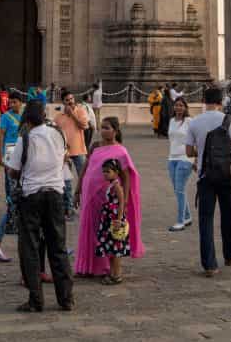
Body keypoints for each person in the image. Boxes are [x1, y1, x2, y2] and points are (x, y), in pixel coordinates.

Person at [9, 99, 74, 313]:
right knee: (58, 247)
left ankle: (36, 299)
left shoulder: (24, 139)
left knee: (30, 247)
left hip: (32, 196)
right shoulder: (58, 133)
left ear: (27, 117)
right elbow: (65, 156)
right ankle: (66, 298)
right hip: (55, 193)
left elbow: (14, 170)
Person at [75, 116, 144, 277]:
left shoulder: (121, 151)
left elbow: (126, 177)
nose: (103, 131)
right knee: (89, 228)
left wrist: (124, 200)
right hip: (89, 194)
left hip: (108, 198)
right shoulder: (95, 146)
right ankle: (87, 267)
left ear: (115, 130)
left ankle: (105, 267)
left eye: (107, 127)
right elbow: (86, 167)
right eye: (102, 127)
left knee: (104, 231)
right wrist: (78, 190)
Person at [186, 86, 231, 276]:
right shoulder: (228, 120)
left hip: (205, 176)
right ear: (221, 101)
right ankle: (230, 254)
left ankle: (209, 265)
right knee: (228, 216)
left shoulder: (194, 122)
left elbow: (188, 152)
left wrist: (201, 153)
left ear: (204, 101)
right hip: (226, 175)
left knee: (206, 220)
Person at [0, 91, 25, 262]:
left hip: (21, 157)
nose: (12, 105)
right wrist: (0, 154)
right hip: (11, 157)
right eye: (10, 102)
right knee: (13, 202)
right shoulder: (5, 117)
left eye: (15, 102)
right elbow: (1, 135)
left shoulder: (25, 116)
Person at [94, 158, 132, 285]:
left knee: (116, 249)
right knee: (111, 248)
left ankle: (117, 274)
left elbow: (121, 203)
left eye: (108, 172)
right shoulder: (111, 185)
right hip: (108, 218)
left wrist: (119, 220)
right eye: (104, 172)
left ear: (116, 172)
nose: (105, 174)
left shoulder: (117, 186)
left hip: (114, 219)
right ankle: (112, 272)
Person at [55, 89, 89, 218]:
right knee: (66, 182)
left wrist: (73, 115)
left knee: (85, 179)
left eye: (71, 99)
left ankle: (86, 206)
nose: (70, 102)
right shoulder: (58, 116)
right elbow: (56, 133)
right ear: (63, 102)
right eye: (67, 100)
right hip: (65, 154)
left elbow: (84, 126)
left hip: (79, 150)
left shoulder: (80, 111)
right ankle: (68, 208)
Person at [166, 96, 195, 231]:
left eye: (181, 105)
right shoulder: (171, 121)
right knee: (178, 191)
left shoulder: (190, 121)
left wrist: (195, 159)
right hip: (172, 158)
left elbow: (196, 140)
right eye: (176, 105)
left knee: (179, 190)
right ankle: (187, 216)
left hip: (185, 158)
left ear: (185, 108)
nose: (178, 108)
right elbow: (172, 140)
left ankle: (180, 221)